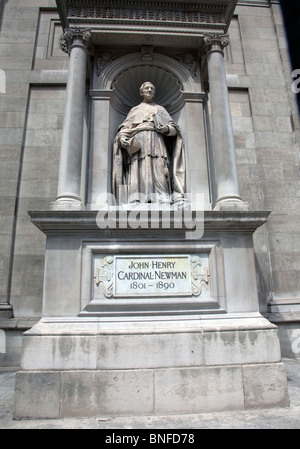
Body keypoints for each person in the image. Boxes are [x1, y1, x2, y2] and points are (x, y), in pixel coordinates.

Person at [112, 82, 188, 208]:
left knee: (159, 166)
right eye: (146, 88)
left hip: (157, 140)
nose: (149, 90)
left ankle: (162, 196)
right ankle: (135, 196)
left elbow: (174, 129)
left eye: (151, 88)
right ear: (141, 92)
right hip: (138, 143)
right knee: (138, 167)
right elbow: (124, 129)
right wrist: (123, 138)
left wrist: (166, 129)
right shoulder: (135, 110)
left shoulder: (160, 109)